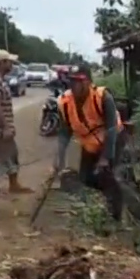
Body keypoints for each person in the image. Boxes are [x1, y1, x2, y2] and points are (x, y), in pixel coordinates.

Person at [53, 64, 126, 221]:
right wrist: (60, 158)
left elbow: (111, 128)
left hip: (112, 140)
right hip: (90, 144)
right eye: (72, 81)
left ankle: (117, 215)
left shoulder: (103, 97)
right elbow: (64, 133)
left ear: (89, 82)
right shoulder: (65, 102)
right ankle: (103, 201)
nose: (75, 85)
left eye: (79, 81)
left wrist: (105, 157)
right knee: (85, 178)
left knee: (107, 175)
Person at [0, 49, 34, 196]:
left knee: (11, 155)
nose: (12, 65)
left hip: (2, 126)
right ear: (1, 63)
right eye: (9, 62)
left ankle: (13, 184)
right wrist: (5, 127)